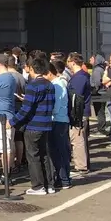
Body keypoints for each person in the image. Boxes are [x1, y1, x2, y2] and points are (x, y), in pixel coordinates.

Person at [11, 56, 56, 196]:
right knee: (44, 155)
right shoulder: (50, 84)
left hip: (33, 125)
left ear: (32, 69)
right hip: (46, 123)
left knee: (33, 156)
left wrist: (12, 121)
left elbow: (25, 110)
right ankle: (49, 184)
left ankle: (38, 186)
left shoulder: (33, 85)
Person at [48, 60, 72, 192]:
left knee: (57, 152)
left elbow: (55, 107)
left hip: (57, 120)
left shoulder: (56, 85)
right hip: (62, 119)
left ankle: (63, 179)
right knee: (61, 151)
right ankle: (64, 178)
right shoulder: (61, 83)